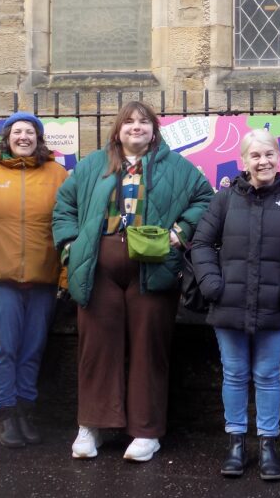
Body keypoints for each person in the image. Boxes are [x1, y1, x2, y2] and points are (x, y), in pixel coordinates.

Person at [52, 101, 214, 462]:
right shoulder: (94, 164)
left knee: (149, 348)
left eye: (144, 122)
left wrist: (180, 232)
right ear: (117, 129)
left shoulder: (177, 166)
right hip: (98, 268)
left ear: (155, 129)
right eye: (129, 122)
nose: (136, 127)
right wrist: (70, 249)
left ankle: (146, 431)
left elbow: (206, 199)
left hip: (153, 269)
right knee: (96, 348)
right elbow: (64, 207)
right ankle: (90, 426)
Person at [190, 129, 280, 481]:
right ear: (243, 162)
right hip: (228, 305)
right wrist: (213, 284)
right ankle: (235, 443)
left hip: (272, 307)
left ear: (278, 157)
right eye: (255, 156)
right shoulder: (225, 199)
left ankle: (267, 445)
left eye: (269, 154)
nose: (263, 161)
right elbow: (200, 244)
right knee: (233, 374)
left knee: (267, 375)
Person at [0, 111, 68, 448]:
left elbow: (70, 225)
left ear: (38, 139)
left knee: (31, 349)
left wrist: (66, 276)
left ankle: (25, 409)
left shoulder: (58, 174)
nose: (23, 137)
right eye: (17, 132)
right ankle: (4, 413)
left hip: (43, 277)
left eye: (30, 132)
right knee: (3, 348)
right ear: (7, 138)